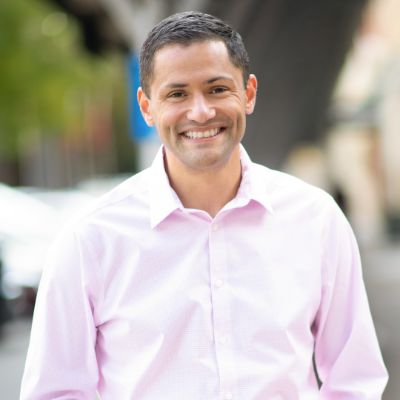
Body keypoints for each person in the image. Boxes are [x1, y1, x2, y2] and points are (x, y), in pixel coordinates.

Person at [20, 11, 388, 399]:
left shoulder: (315, 220)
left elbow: (355, 378)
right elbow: (55, 391)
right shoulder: (90, 240)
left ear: (248, 93)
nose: (200, 112)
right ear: (146, 106)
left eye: (217, 89)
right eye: (177, 94)